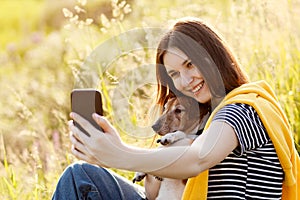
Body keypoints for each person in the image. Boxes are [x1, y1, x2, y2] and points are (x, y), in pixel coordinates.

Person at [52, 17, 299, 200]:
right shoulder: (205, 119)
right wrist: (112, 153)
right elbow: (152, 194)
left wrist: (118, 154)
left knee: (80, 179)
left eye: (190, 64)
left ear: (213, 56)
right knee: (81, 176)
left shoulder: (243, 108)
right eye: (174, 74)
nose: (185, 80)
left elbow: (199, 158)